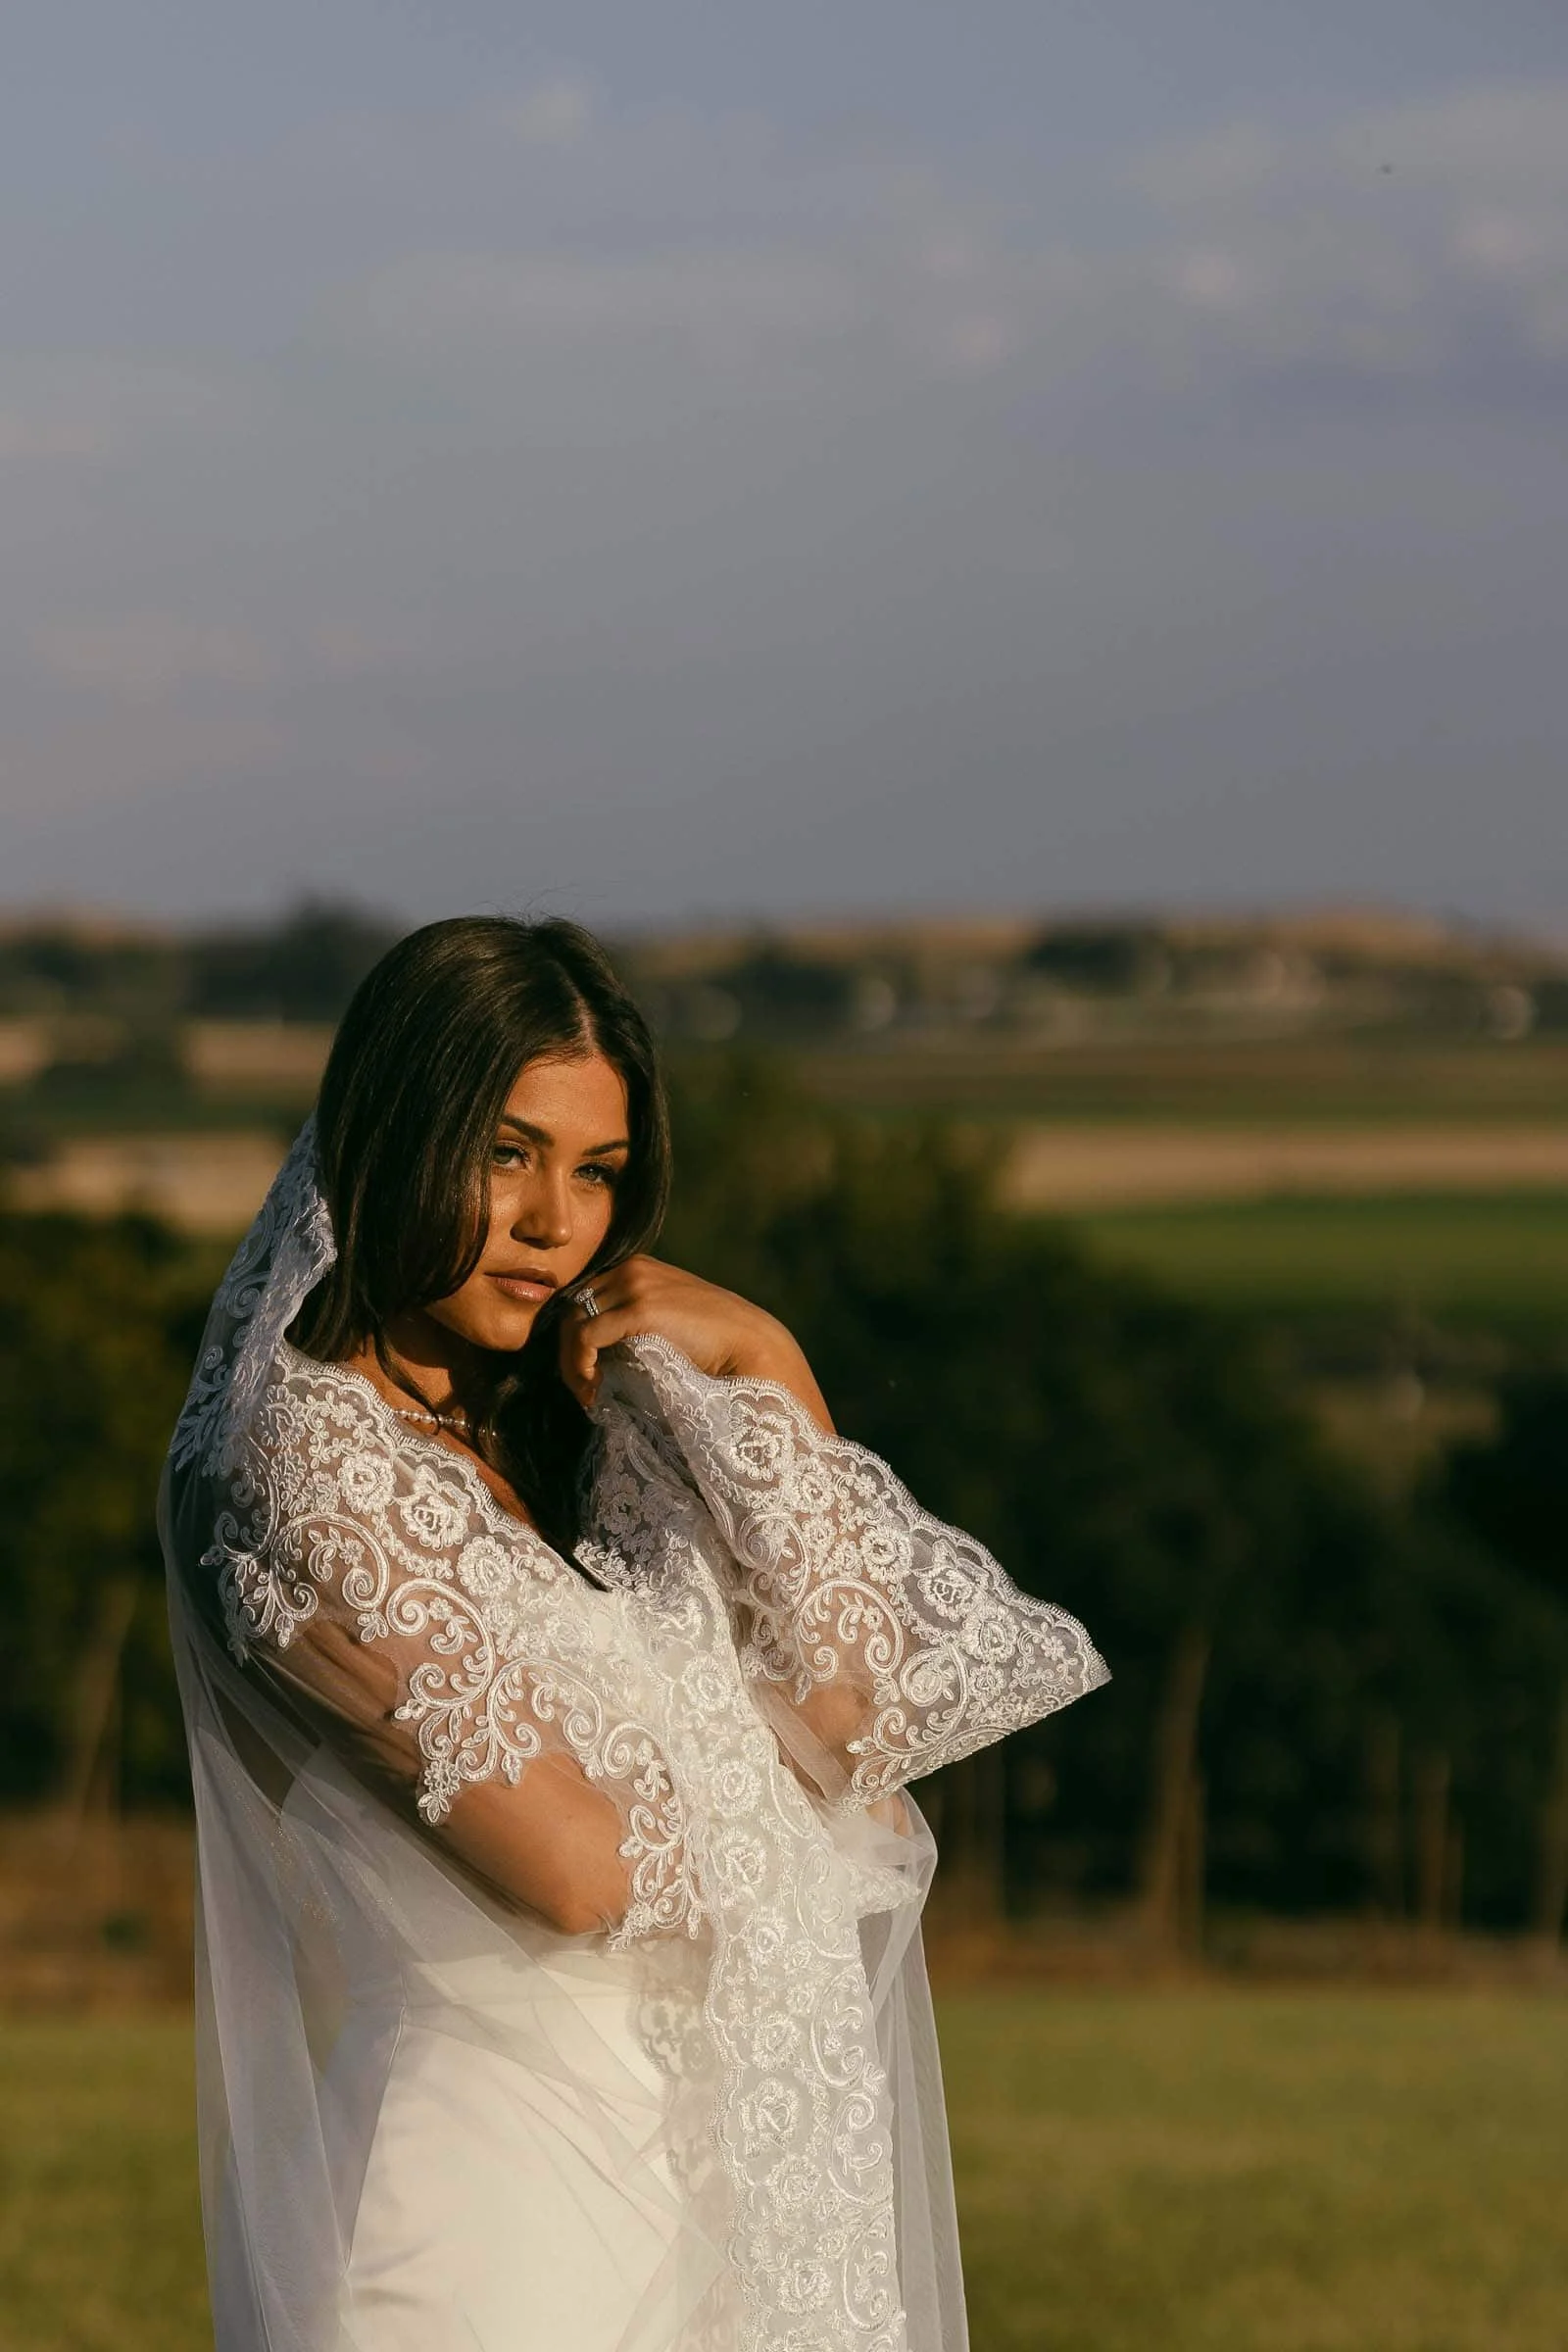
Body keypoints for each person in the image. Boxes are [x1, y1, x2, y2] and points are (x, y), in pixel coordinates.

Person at [161, 913, 1109, 2352]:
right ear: (395, 1134)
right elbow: (577, 1871)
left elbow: (855, 1708)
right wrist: (800, 1800)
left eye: (595, 1170)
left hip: (706, 2170)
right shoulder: (297, 1467)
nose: (558, 1222)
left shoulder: (580, 1423)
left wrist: (765, 1355)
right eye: (504, 1153)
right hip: (488, 2205)